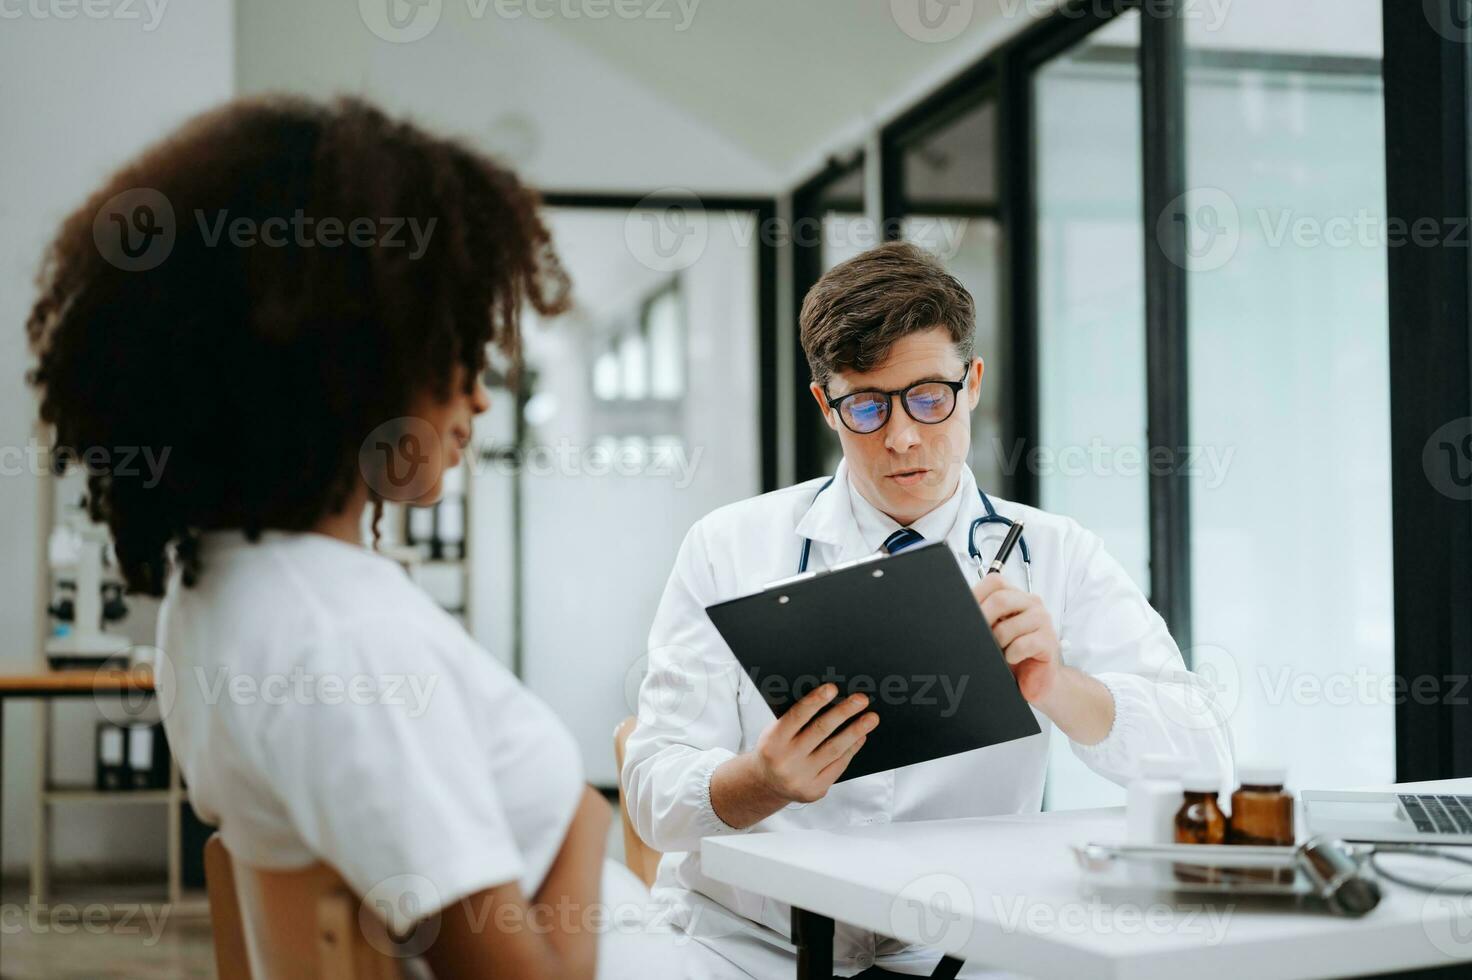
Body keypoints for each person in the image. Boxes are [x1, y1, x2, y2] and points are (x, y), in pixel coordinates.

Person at [27, 96, 686, 980]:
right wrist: (585, 818)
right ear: (349, 365)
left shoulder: (220, 590)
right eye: (454, 351)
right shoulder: (341, 640)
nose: (479, 397)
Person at [623, 241, 1233, 978]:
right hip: (746, 942)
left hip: (964, 948)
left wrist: (1059, 687)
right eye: (868, 406)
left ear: (972, 383)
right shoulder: (729, 546)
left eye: (929, 397)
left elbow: (1206, 763)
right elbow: (654, 796)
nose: (904, 436)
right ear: (827, 406)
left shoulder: (1056, 553)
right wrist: (762, 780)